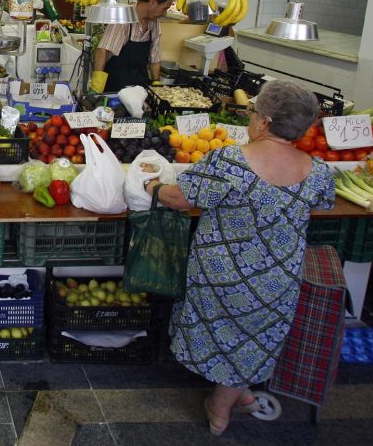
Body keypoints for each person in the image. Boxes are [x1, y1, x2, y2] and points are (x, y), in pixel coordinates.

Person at [143, 80, 334, 436]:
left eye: (253, 112)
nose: (251, 118)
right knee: (254, 337)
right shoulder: (318, 171)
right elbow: (322, 202)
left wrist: (150, 187)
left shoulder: (231, 161)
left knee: (224, 335)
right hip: (278, 278)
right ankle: (240, 391)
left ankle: (220, 408)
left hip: (223, 276)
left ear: (264, 122)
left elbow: (179, 198)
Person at [90, 0, 176, 93]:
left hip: (140, 85)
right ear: (153, 2)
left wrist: (156, 83)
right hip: (117, 85)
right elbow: (102, 51)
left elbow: (155, 56)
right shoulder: (124, 18)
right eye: (164, 8)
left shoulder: (154, 22)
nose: (164, 13)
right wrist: (97, 86)